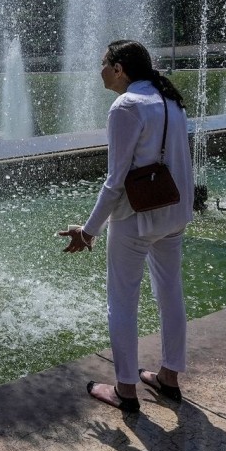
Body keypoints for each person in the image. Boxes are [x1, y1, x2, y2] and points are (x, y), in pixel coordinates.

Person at [58, 39, 195, 413]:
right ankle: (168, 377)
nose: (100, 70)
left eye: (104, 63)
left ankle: (125, 390)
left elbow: (115, 180)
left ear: (119, 68)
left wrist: (87, 231)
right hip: (174, 213)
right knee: (171, 294)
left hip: (136, 219)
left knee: (121, 303)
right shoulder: (170, 101)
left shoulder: (126, 106)